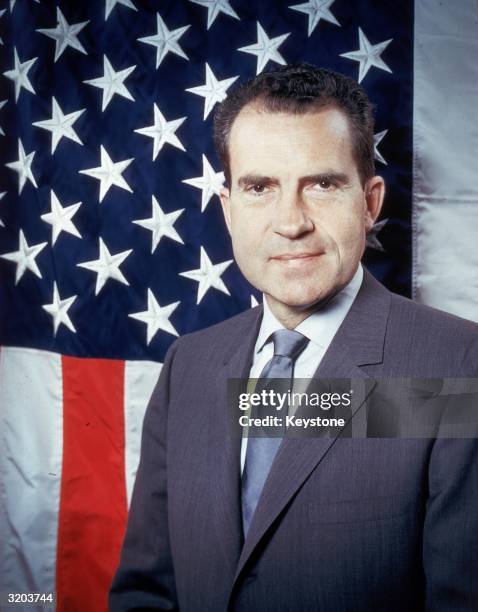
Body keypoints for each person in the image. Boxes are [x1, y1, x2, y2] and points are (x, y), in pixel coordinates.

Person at [109, 64, 478, 611]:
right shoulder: (189, 365)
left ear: (370, 202)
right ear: (229, 210)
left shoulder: (453, 365)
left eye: (322, 184)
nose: (291, 222)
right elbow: (148, 590)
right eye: (259, 188)